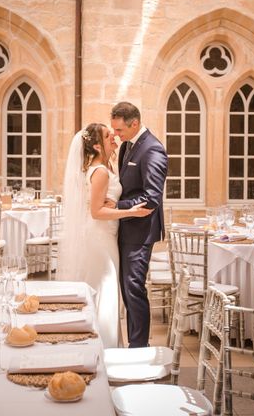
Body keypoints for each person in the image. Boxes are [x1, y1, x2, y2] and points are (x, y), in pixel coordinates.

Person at [58, 122, 152, 347]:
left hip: (106, 237)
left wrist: (118, 203)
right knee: (105, 292)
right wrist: (129, 211)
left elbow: (103, 201)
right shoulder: (99, 171)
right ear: (97, 147)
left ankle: (104, 347)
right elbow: (96, 212)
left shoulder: (107, 166)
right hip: (99, 239)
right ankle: (103, 350)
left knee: (107, 294)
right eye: (108, 136)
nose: (114, 138)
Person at [110, 101, 168, 348]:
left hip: (139, 231)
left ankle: (139, 347)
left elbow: (152, 198)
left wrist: (116, 207)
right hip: (125, 228)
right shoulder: (127, 146)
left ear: (134, 123)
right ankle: (135, 343)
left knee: (134, 288)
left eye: (120, 130)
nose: (116, 135)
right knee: (127, 288)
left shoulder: (153, 149)